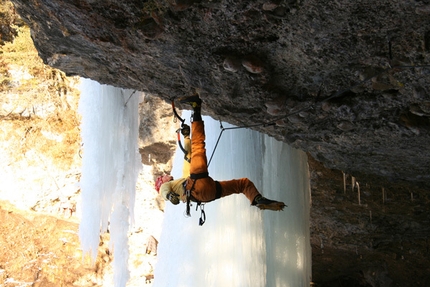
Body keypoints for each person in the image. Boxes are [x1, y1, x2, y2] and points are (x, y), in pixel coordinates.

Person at [154, 95, 286, 212]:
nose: (165, 175)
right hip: (197, 187)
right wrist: (169, 196)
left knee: (242, 184)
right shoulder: (167, 187)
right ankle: (196, 107)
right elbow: (163, 191)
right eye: (162, 178)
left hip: (208, 194)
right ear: (162, 183)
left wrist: (187, 136)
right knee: (198, 144)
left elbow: (188, 157)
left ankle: (257, 199)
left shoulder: (180, 181)